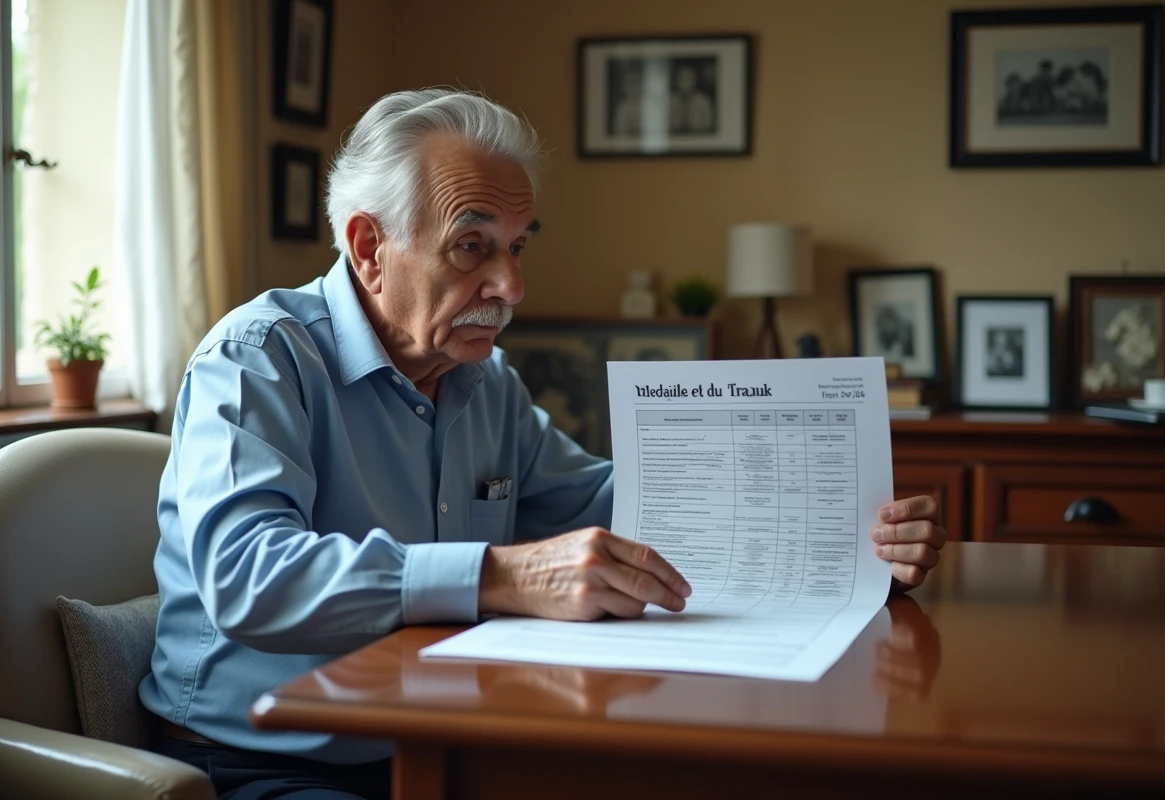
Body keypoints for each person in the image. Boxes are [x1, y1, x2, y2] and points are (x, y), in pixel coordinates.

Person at [141, 88, 947, 800]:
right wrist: (504, 575)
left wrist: (847, 534)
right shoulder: (258, 358)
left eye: (518, 246)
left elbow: (623, 509)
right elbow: (248, 578)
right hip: (259, 760)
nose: (512, 287)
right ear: (368, 247)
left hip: (444, 741)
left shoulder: (486, 383)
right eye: (472, 245)